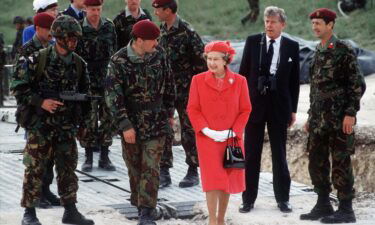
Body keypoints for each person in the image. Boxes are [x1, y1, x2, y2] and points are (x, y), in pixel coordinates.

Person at [11, 15, 94, 225]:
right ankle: (29, 213)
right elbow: (18, 88)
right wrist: (41, 102)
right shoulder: (38, 59)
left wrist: (84, 125)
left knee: (67, 169)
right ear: (59, 37)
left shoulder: (79, 64)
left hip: (66, 127)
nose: (74, 41)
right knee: (34, 169)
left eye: (76, 38)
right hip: (40, 126)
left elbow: (86, 98)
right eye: (70, 37)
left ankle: (70, 210)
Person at [105, 20, 175, 225]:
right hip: (131, 122)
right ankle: (141, 204)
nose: (156, 43)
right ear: (139, 40)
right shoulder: (118, 61)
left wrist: (170, 113)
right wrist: (125, 125)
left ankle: (146, 212)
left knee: (151, 168)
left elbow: (169, 83)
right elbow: (112, 97)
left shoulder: (159, 54)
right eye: (153, 40)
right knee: (134, 167)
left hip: (156, 121)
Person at [300, 8, 364, 224]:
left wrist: (350, 114)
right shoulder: (317, 51)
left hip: (338, 118)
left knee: (340, 161)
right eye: (313, 23)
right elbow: (315, 89)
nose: (315, 27)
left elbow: (356, 84)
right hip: (319, 118)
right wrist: (310, 116)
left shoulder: (342, 49)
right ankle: (323, 203)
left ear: (330, 25)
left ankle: (346, 209)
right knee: (316, 161)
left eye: (319, 23)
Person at [239, 6, 300, 213]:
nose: (269, 25)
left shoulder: (292, 46)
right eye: (266, 21)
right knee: (251, 154)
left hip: (279, 106)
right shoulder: (253, 41)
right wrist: (242, 104)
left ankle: (283, 198)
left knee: (279, 154)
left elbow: (294, 81)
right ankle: (248, 199)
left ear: (282, 24)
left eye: (273, 22)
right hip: (254, 105)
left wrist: (293, 110)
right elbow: (243, 75)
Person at [187, 41, 251, 225]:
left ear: (226, 60)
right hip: (207, 139)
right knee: (211, 180)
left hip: (231, 140)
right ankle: (213, 221)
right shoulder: (197, 80)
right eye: (209, 58)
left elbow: (245, 110)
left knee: (227, 180)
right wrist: (206, 130)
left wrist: (233, 132)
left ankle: (221, 219)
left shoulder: (240, 81)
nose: (212, 63)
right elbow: (192, 109)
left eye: (216, 59)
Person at [152, 0, 207, 188]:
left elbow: (201, 63)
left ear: (168, 10)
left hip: (186, 90)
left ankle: (193, 170)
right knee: (163, 128)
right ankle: (164, 170)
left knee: (189, 129)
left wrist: (196, 88)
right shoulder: (161, 30)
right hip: (165, 90)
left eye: (158, 9)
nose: (156, 12)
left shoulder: (187, 32)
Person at [16, 12, 61, 208]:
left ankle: (45, 190)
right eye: (47, 30)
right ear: (37, 29)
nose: (51, 34)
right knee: (35, 159)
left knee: (50, 156)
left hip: (51, 113)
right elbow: (18, 88)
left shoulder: (53, 49)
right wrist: (40, 102)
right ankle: (34, 198)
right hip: (35, 113)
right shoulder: (27, 51)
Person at [76, 0, 117, 172]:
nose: (96, 12)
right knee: (89, 118)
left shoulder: (109, 26)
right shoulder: (78, 28)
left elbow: (114, 51)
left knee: (108, 116)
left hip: (106, 79)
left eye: (98, 9)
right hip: (87, 80)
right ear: (85, 9)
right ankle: (88, 156)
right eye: (92, 9)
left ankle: (105, 156)